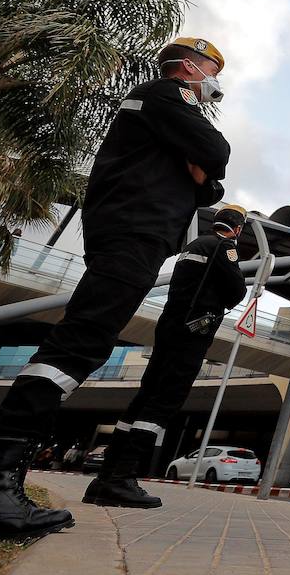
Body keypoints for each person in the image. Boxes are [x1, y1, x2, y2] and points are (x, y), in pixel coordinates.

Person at [0, 37, 232, 540]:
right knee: (82, 340)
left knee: (89, 339)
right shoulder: (166, 95)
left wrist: (202, 172)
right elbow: (216, 153)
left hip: (140, 233)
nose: (215, 79)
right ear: (189, 67)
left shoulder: (168, 113)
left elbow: (211, 185)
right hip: (134, 229)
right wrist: (202, 163)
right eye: (211, 68)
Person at [82, 204, 249, 508]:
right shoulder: (224, 247)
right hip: (193, 331)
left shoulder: (193, 246)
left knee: (145, 396)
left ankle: (105, 477)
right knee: (165, 400)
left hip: (169, 325)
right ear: (237, 229)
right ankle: (122, 477)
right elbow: (237, 291)